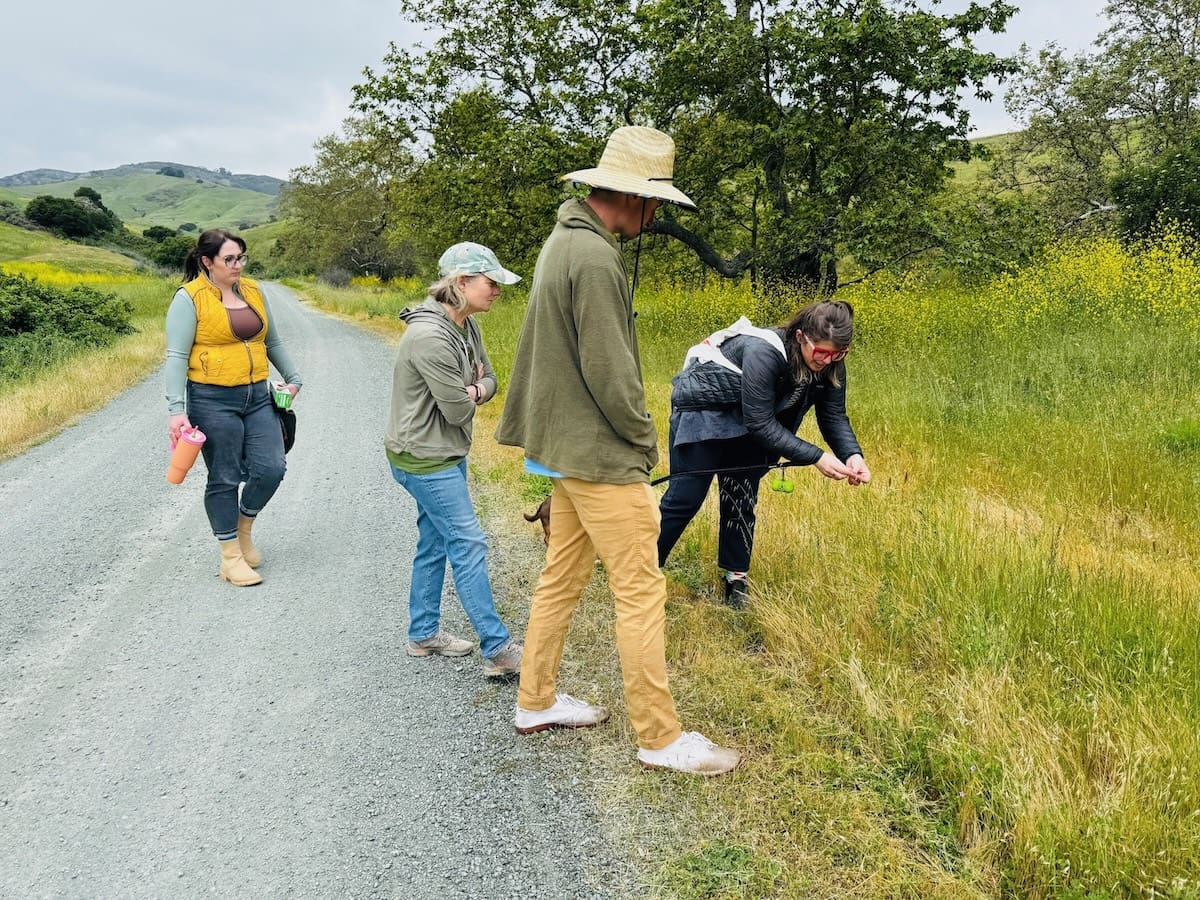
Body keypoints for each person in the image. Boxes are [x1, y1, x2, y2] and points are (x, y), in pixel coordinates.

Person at [497, 126, 741, 775]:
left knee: (562, 577)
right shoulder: (596, 257)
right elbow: (610, 371)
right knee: (640, 589)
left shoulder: (564, 241)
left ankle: (535, 699)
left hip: (563, 448)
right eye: (654, 202)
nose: (656, 216)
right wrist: (643, 439)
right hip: (598, 454)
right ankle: (660, 737)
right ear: (632, 197)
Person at [657, 301, 871, 607]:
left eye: (837, 354)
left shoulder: (831, 362)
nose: (827, 360)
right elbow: (760, 423)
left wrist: (853, 455)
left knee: (741, 496)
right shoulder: (764, 351)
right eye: (821, 352)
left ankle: (735, 579)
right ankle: (642, 571)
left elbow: (833, 416)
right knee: (684, 499)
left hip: (747, 422)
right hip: (704, 414)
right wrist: (816, 457)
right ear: (800, 337)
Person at [385, 242, 524, 678]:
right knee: (467, 542)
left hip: (443, 450)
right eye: (491, 281)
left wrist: (477, 389)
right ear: (461, 283)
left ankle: (423, 634)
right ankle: (499, 648)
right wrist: (474, 392)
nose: (498, 289)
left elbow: (491, 379)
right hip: (425, 457)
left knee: (435, 540)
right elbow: (458, 410)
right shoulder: (429, 336)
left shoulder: (465, 327)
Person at [165, 228, 302, 587]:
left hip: (258, 396)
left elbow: (271, 340)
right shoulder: (189, 298)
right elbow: (177, 357)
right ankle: (229, 556)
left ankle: (244, 529)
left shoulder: (253, 291)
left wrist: (294, 377)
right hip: (212, 399)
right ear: (207, 262)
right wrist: (177, 410)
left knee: (271, 467)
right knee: (224, 475)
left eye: (241, 257)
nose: (238, 264)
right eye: (230, 259)